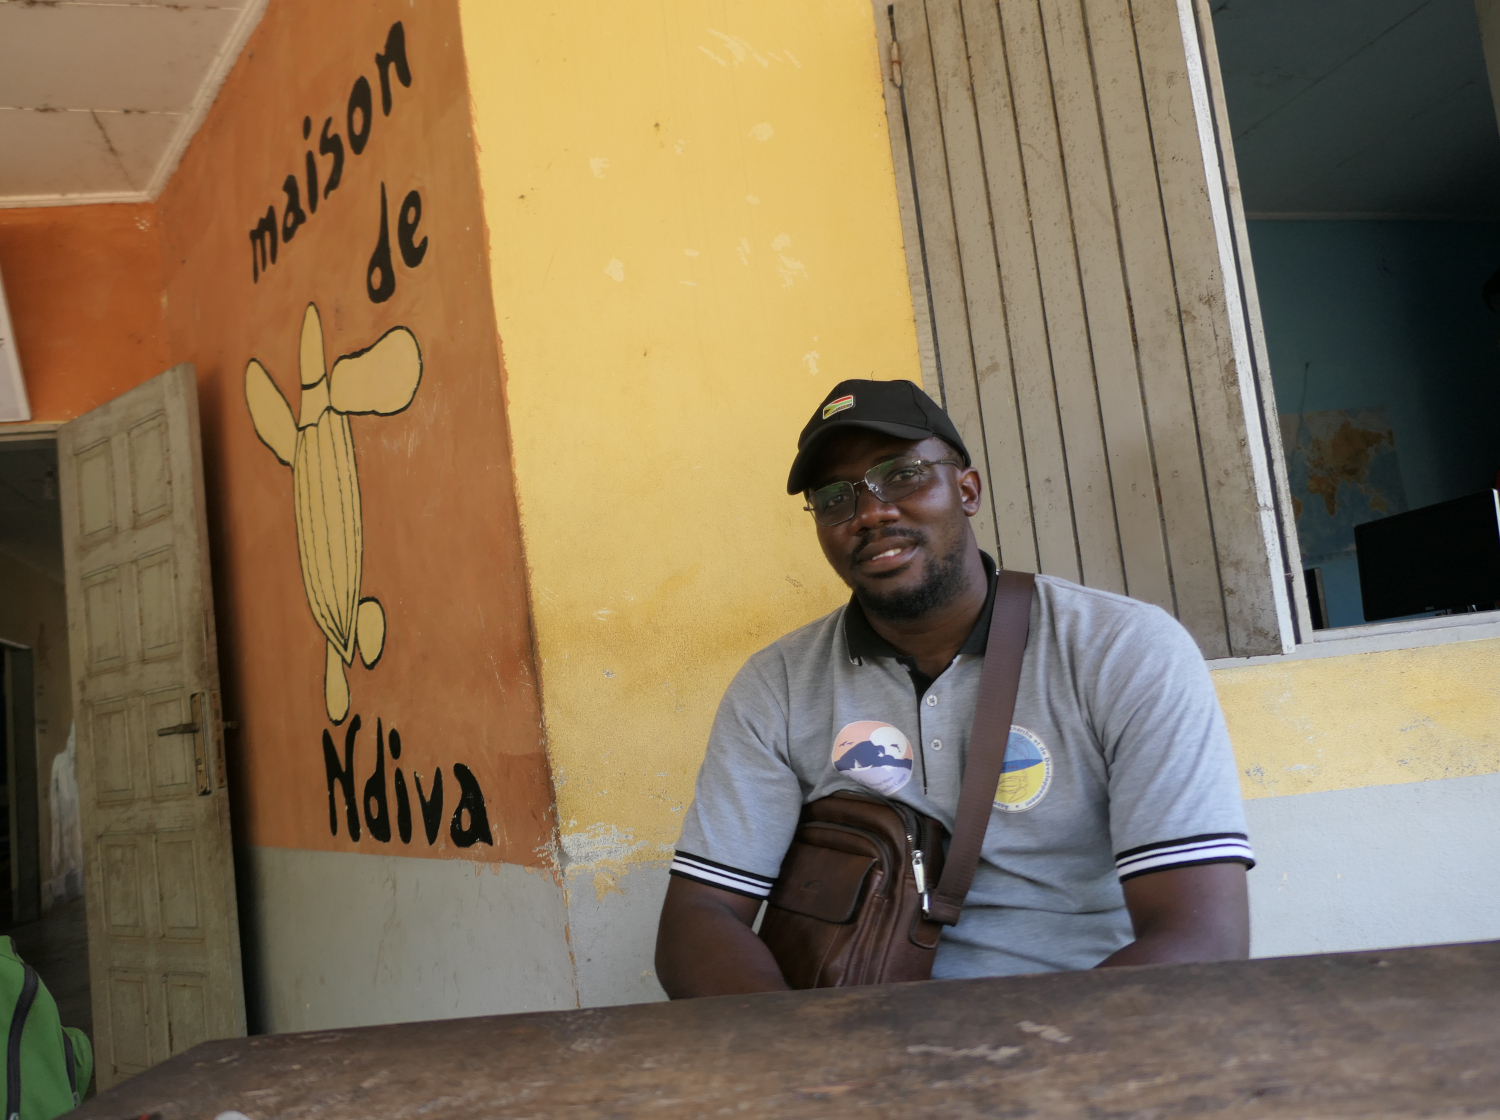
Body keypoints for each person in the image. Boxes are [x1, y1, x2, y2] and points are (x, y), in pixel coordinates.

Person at [655, 379, 1254, 997]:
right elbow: (698, 920)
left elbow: (1202, 939)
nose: (871, 512)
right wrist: (808, 1062)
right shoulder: (778, 684)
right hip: (853, 1046)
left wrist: (1008, 1065)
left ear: (966, 491)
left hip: (1080, 1034)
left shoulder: (1122, 649)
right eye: (835, 498)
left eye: (904, 475)